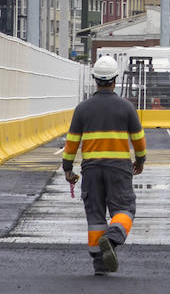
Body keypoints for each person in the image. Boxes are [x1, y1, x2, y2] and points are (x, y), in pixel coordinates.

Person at [61, 55, 147, 276]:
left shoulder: (82, 109)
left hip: (91, 169)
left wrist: (67, 168)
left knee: (95, 213)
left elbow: (71, 142)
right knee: (125, 208)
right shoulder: (126, 107)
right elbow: (138, 139)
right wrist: (140, 160)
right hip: (119, 168)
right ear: (115, 80)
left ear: (95, 79)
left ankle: (100, 264)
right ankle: (112, 237)